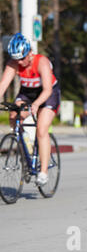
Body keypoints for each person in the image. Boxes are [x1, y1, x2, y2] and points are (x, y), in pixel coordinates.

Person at [0, 33, 61, 186]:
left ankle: (44, 172)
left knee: (41, 129)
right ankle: (25, 145)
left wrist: (36, 104)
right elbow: (2, 86)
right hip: (27, 93)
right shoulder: (14, 63)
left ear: (30, 53)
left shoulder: (42, 62)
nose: (19, 62)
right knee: (14, 115)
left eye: (21, 58)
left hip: (48, 94)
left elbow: (47, 90)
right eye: (15, 59)